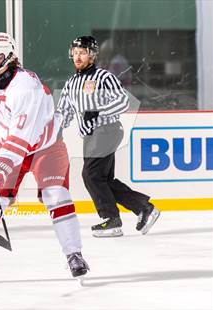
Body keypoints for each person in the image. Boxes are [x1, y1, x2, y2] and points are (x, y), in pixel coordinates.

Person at [0, 32, 89, 278]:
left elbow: (22, 138)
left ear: (3, 57)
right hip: (11, 145)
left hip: (45, 147)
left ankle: (74, 254)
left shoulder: (26, 87)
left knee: (56, 196)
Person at [57, 36, 160, 237]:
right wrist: (53, 129)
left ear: (92, 55)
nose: (78, 57)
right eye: (75, 53)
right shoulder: (71, 83)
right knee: (103, 179)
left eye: (83, 52)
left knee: (91, 175)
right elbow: (64, 111)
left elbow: (123, 101)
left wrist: (97, 111)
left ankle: (111, 219)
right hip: (90, 136)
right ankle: (144, 208)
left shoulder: (104, 77)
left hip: (107, 130)